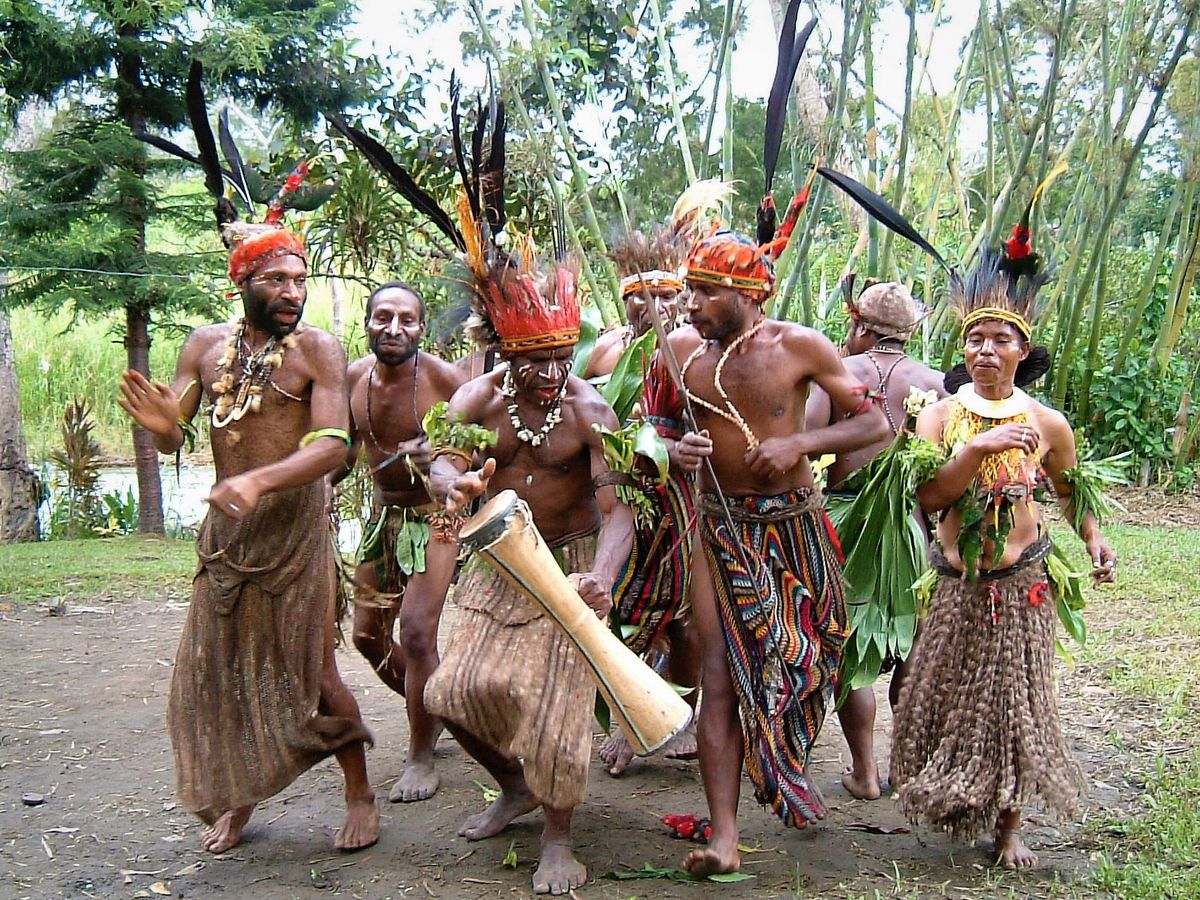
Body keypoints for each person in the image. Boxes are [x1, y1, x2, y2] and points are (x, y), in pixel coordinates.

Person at [117, 222, 378, 854]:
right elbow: (173, 428)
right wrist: (160, 430)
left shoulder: (319, 350)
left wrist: (260, 481)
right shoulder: (205, 348)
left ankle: (360, 791)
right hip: (228, 539)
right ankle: (239, 798)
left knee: (313, 672)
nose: (293, 292)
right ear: (243, 283)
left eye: (300, 280)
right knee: (222, 668)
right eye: (277, 280)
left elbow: (332, 447)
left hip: (294, 536)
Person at [653, 226, 889, 876]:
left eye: (703, 292)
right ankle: (725, 838)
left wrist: (799, 446)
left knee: (811, 658)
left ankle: (783, 762)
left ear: (747, 292)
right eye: (688, 291)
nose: (690, 304)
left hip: (795, 528)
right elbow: (656, 427)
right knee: (721, 678)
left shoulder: (799, 346)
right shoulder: (679, 352)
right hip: (718, 530)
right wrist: (676, 449)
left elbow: (874, 422)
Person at [890, 248, 1117, 869]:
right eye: (975, 339)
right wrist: (980, 447)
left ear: (1023, 351)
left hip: (1023, 582)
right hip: (958, 581)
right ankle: (952, 790)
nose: (985, 350)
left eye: (1001, 340)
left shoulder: (1048, 423)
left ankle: (1010, 826)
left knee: (1018, 701)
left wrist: (1094, 539)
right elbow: (929, 497)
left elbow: (1070, 493)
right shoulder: (937, 417)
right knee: (943, 695)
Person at [424, 240, 635, 893]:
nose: (551, 371)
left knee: (556, 707)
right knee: (451, 692)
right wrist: (449, 486)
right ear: (505, 352)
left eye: (560, 355)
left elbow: (619, 508)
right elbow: (443, 465)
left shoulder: (591, 412)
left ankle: (559, 837)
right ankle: (514, 786)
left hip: (570, 563)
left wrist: (601, 574)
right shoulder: (476, 402)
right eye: (533, 358)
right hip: (499, 558)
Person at [592, 181, 730, 776]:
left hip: (688, 498)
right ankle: (631, 720)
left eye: (670, 297)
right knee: (627, 607)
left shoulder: (699, 352)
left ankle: (684, 715)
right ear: (626, 301)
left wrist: (675, 445)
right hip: (626, 494)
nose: (656, 308)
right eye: (642, 299)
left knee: (689, 615)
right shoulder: (602, 353)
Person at [806, 279, 946, 800]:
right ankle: (905, 768)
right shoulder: (934, 382)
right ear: (909, 332)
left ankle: (864, 771)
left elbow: (807, 436)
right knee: (909, 642)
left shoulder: (842, 373)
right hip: (911, 526)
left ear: (861, 325)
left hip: (844, 522)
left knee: (853, 645)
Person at [337, 280, 465, 802]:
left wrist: (439, 454)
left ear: (421, 327)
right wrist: (321, 482)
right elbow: (344, 451)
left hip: (437, 519)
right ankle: (437, 713)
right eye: (383, 317)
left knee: (415, 634)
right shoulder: (352, 377)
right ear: (367, 323)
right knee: (367, 636)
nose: (394, 328)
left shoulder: (444, 378)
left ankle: (420, 754)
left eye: (406, 319)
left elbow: (478, 444)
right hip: (385, 517)